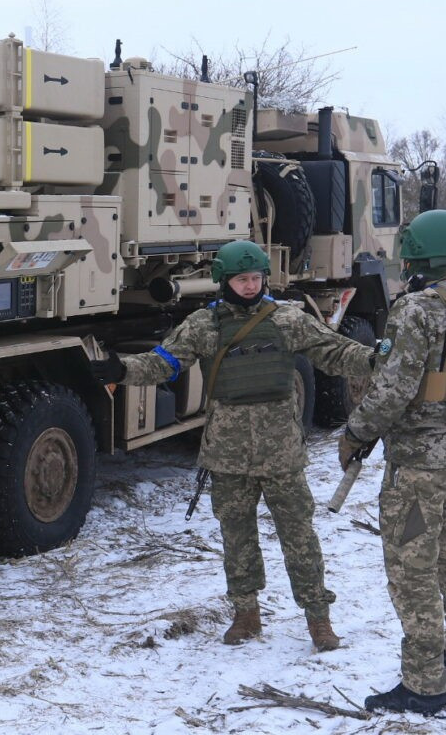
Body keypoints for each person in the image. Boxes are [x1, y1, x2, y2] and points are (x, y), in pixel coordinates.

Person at [92, 240, 374, 651]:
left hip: (281, 452)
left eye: (256, 278)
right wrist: (122, 369)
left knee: (299, 536)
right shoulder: (203, 326)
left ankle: (318, 619)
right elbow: (164, 363)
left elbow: (335, 352)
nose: (250, 285)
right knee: (237, 537)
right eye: (242, 279)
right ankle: (246, 615)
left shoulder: (288, 320)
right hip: (227, 453)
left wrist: (375, 357)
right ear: (224, 280)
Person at [340, 210, 446, 715]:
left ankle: (425, 685)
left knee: (412, 569)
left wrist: (356, 432)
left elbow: (392, 390)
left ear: (417, 256)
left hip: (419, 465)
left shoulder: (416, 308)